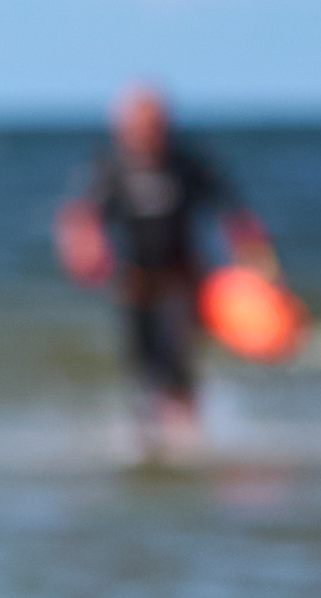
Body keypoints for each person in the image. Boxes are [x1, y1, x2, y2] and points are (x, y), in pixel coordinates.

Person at [51, 82, 273, 453]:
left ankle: (188, 443)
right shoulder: (111, 167)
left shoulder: (187, 163)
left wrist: (254, 259)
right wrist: (82, 250)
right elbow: (84, 217)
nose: (144, 129)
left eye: (151, 120)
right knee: (142, 368)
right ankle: (148, 445)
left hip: (182, 281)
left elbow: (231, 209)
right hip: (136, 285)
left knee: (178, 365)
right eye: (135, 121)